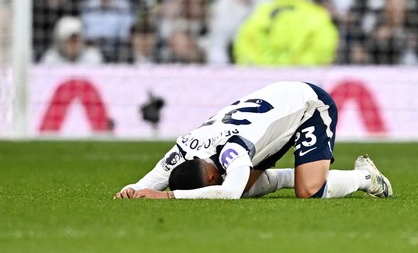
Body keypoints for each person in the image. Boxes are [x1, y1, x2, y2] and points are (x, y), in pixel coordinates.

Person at [115, 81, 393, 200]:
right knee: (244, 187)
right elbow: (147, 183)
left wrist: (168, 196)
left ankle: (366, 177)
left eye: (215, 182)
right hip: (270, 119)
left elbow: (227, 192)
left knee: (310, 190)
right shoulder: (185, 148)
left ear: (212, 177)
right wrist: (130, 191)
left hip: (308, 105)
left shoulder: (232, 150)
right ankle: (289, 176)